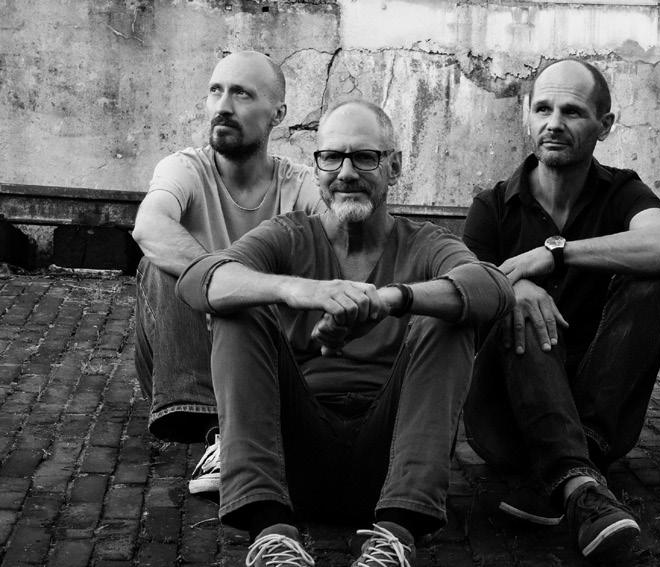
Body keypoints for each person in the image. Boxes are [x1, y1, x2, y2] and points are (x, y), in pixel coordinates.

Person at [175, 100, 513, 567]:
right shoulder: (288, 235)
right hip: (295, 460)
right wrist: (301, 290)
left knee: (449, 314)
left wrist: (388, 300)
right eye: (331, 157)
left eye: (365, 157)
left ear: (395, 166)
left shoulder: (426, 243)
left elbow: (493, 287)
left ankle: (395, 539)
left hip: (392, 461)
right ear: (316, 169)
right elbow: (199, 280)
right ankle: (272, 536)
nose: (346, 172)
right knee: (239, 309)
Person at [462, 58, 660, 560]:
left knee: (652, 277)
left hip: (598, 424)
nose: (553, 123)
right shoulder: (492, 207)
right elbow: (464, 293)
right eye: (542, 109)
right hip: (505, 424)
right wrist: (511, 289)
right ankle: (581, 480)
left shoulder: (622, 192)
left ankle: (571, 476)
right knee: (516, 302)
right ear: (526, 116)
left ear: (604, 126)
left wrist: (557, 252)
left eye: (571, 112)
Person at [131, 51, 323, 496]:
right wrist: (224, 283)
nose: (223, 106)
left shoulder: (300, 185)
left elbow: (344, 241)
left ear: (278, 114)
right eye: (215, 91)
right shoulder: (185, 168)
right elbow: (149, 226)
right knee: (156, 266)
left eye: (242, 94)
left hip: (263, 360)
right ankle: (219, 432)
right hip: (182, 358)